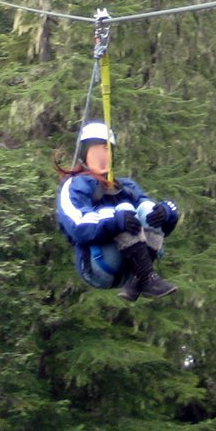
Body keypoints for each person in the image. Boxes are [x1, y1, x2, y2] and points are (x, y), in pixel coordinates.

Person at [55, 121, 180, 301]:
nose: (103, 156)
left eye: (107, 150)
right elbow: (78, 225)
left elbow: (148, 210)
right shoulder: (75, 185)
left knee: (147, 208)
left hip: (129, 268)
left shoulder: (125, 186)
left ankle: (142, 279)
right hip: (97, 264)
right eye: (96, 150)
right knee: (124, 209)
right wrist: (115, 221)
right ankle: (146, 277)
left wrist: (167, 213)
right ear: (85, 154)